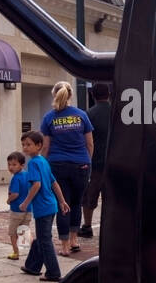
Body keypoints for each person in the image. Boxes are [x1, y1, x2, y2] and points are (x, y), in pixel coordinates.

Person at [40, 81, 93, 256]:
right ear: (70, 95)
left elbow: (46, 147)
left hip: (57, 165)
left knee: (63, 204)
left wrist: (43, 167)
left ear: (54, 94)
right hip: (81, 165)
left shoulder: (49, 118)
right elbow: (90, 143)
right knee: (76, 203)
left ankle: (64, 246)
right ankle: (74, 240)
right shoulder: (81, 115)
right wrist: (87, 162)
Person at [18, 132, 69, 282]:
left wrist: (25, 202)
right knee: (41, 237)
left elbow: (37, 184)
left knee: (44, 239)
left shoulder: (33, 163)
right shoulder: (43, 161)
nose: (25, 148)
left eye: (28, 144)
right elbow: (54, 183)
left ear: (39, 146)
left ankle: (53, 273)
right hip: (51, 205)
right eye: (23, 145)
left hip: (43, 207)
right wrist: (62, 201)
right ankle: (32, 266)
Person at [79, 81, 112, 239]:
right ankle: (112, 228)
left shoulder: (88, 114)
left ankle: (87, 226)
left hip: (95, 163)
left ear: (92, 95)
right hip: (116, 163)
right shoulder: (118, 112)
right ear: (109, 94)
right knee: (112, 197)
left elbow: (84, 141)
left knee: (90, 196)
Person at [5, 152, 31, 261]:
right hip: (28, 209)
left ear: (22, 165)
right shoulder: (27, 175)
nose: (11, 167)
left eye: (14, 164)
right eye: (9, 164)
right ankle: (28, 251)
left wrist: (8, 200)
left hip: (16, 210)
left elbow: (15, 194)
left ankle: (16, 253)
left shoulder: (16, 178)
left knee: (12, 232)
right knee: (24, 231)